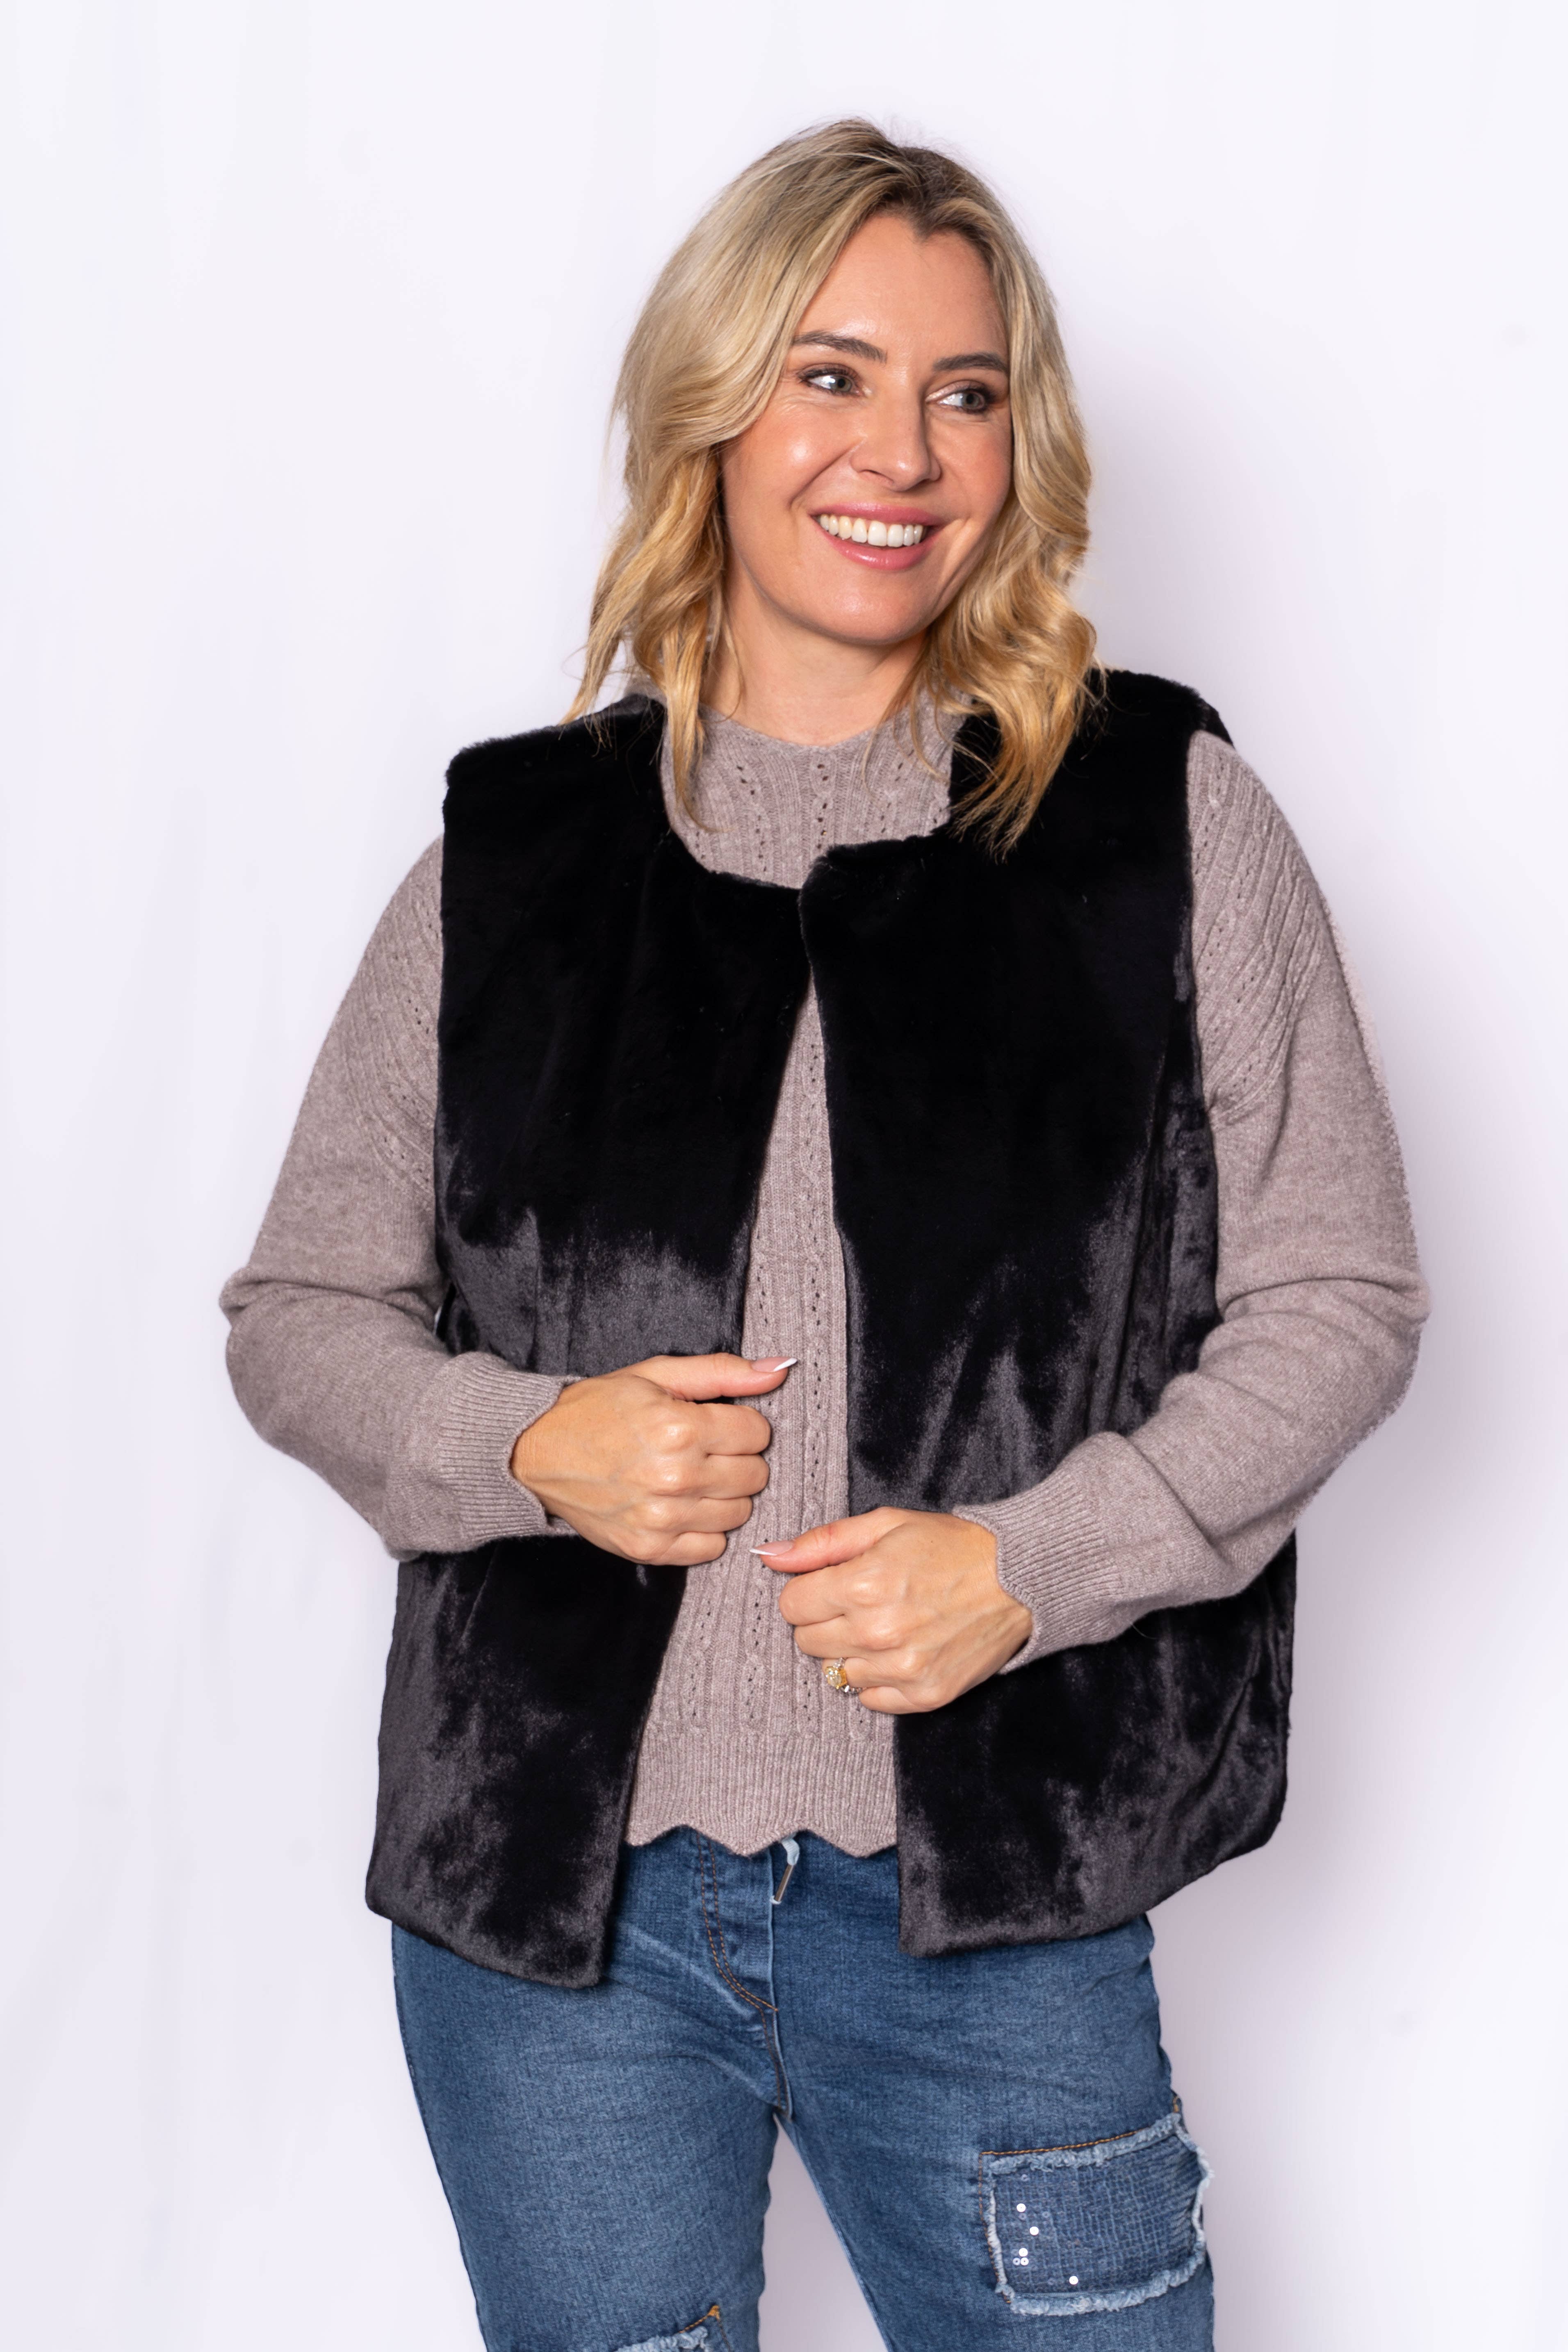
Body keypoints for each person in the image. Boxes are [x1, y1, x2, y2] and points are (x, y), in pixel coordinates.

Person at [222, 121, 1426, 2352]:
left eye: (967, 391)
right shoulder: (517, 856)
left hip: (995, 1914)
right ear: (714, 409)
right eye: (833, 376)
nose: (904, 452)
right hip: (558, 1924)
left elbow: (1341, 1294)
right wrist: (533, 1446)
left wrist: (1033, 1562)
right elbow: (300, 1313)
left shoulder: (1160, 822)